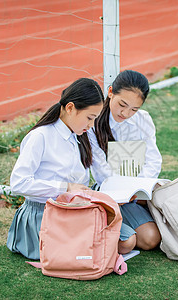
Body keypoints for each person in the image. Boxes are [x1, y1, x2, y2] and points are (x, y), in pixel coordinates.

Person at [6, 78, 104, 260]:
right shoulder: (40, 137)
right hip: (44, 215)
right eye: (90, 118)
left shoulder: (79, 133)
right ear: (70, 108)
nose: (91, 125)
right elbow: (18, 184)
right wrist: (65, 187)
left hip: (73, 210)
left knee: (122, 241)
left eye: (95, 119)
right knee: (92, 252)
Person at [89, 70, 162, 253]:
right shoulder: (94, 122)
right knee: (147, 239)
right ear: (111, 91)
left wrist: (140, 187)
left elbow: (153, 159)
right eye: (123, 104)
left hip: (138, 191)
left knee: (154, 236)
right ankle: (102, 223)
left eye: (134, 109)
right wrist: (125, 192)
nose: (126, 113)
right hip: (110, 192)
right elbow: (100, 170)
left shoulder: (143, 120)